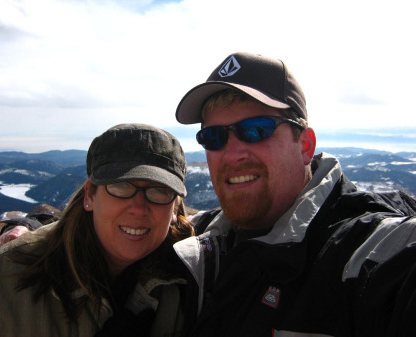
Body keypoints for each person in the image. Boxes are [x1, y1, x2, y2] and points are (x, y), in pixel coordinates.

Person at [173, 52, 416, 337]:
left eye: (256, 130)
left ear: (305, 145)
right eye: (214, 137)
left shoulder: (367, 252)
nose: (233, 153)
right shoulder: (196, 241)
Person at [0, 123, 194, 337]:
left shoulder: (190, 279)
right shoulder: (9, 280)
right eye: (120, 186)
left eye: (159, 191)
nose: (139, 208)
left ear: (175, 209)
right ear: (89, 195)